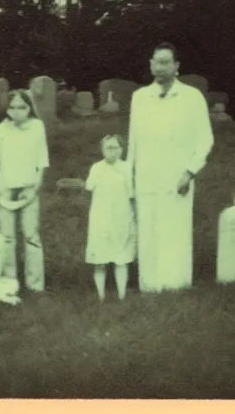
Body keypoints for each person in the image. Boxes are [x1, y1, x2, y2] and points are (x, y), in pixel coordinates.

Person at [126, 42, 214, 293]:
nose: (161, 67)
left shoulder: (192, 97)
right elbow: (132, 142)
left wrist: (190, 171)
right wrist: (129, 177)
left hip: (178, 176)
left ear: (176, 66)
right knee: (149, 230)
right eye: (157, 62)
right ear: (150, 65)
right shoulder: (140, 97)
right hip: (147, 176)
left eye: (166, 62)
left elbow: (205, 139)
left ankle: (176, 285)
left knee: (175, 230)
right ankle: (150, 285)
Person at [0, 89, 50, 293]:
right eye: (12, 108)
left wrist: (34, 188)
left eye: (22, 107)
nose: (17, 112)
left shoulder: (37, 127)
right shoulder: (1, 130)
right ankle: (9, 281)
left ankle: (35, 284)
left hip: (29, 189)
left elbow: (42, 162)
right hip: (6, 189)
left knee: (31, 235)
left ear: (30, 108)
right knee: (7, 238)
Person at [84, 134, 137, 302]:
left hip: (121, 216)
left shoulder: (127, 167)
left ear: (122, 149)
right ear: (102, 150)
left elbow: (131, 193)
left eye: (116, 148)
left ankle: (122, 295)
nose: (112, 152)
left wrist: (131, 214)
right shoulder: (97, 168)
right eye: (108, 148)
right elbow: (89, 186)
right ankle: (101, 295)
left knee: (121, 257)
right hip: (101, 216)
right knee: (100, 256)